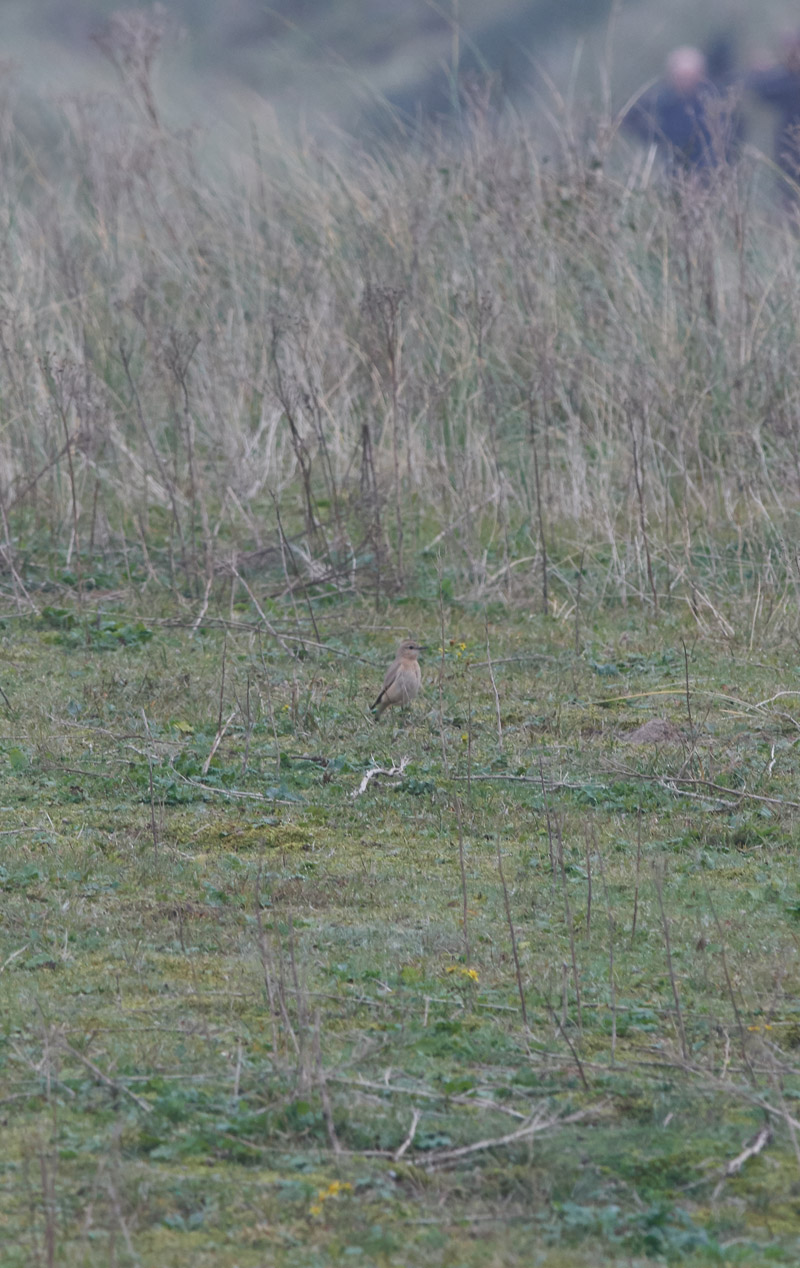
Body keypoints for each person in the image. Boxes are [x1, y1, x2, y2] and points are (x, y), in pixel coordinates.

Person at [625, 46, 740, 176]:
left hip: (709, 171)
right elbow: (629, 118)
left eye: (690, 76)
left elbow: (734, 132)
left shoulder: (714, 102)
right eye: (681, 77)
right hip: (669, 167)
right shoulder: (659, 100)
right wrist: (654, 136)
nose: (685, 82)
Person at [748, 31, 800, 196]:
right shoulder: (784, 77)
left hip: (789, 147)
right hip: (788, 148)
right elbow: (763, 91)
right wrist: (759, 72)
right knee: (789, 194)